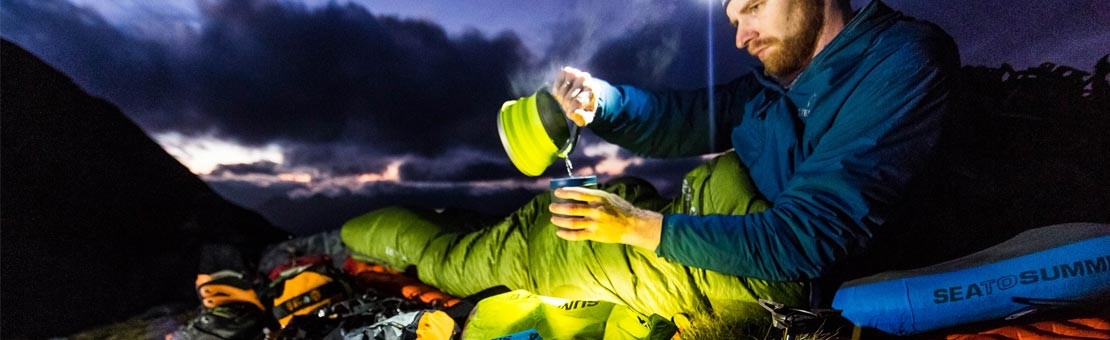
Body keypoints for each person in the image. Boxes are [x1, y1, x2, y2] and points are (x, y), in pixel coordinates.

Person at [341, 0, 960, 330]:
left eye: (752, 8)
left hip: (748, 284)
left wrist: (633, 228)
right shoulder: (785, 80)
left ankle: (348, 239)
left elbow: (805, 242)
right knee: (622, 189)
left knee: (522, 240)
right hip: (709, 229)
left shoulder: (900, 61)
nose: (740, 35)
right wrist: (601, 101)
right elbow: (683, 118)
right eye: (731, 16)